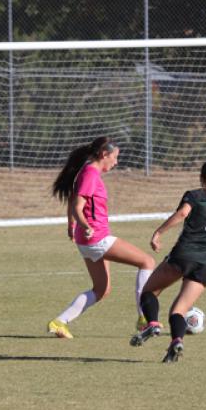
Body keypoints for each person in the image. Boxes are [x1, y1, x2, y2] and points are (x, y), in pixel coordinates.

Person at [130, 160, 206, 363]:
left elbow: (182, 213)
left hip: (184, 255)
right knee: (179, 310)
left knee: (148, 292)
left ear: (201, 175)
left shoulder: (195, 195)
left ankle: (153, 323)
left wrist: (158, 232)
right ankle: (176, 341)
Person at [47, 136, 156, 339]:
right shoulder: (90, 173)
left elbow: (72, 199)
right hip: (96, 238)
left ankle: (59, 322)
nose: (116, 162)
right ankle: (144, 319)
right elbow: (78, 206)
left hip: (86, 241)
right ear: (104, 154)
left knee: (102, 289)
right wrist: (83, 224)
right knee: (147, 262)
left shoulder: (86, 171)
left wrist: (72, 225)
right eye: (115, 157)